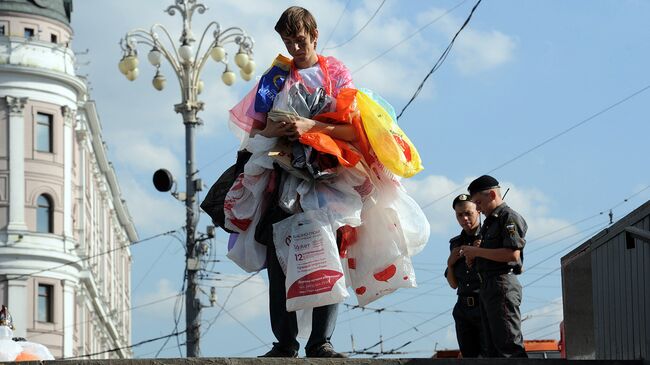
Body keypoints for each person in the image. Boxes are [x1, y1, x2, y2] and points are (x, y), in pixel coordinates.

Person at [250, 6, 354, 358]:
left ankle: (321, 341)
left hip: (328, 178)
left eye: (299, 39)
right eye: (287, 41)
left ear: (314, 33)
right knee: (280, 259)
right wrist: (274, 131)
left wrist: (311, 128)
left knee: (327, 254)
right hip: (283, 177)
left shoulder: (336, 73)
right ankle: (284, 342)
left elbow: (353, 129)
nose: (294, 47)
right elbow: (256, 130)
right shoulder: (275, 77)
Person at [459, 175, 528, 358]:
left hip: (502, 284)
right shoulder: (491, 222)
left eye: (479, 203)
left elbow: (512, 254)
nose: (478, 209)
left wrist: (477, 252)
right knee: (492, 350)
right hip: (489, 285)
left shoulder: (508, 217)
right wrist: (475, 256)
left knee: (508, 347)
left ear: (491, 194)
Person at [445, 194, 485, 357]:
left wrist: (481, 252)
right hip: (463, 307)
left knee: (490, 356)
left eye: (469, 213)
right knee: (469, 356)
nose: (464, 218)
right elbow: (453, 284)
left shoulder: (488, 237)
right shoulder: (455, 243)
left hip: (484, 304)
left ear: (479, 211)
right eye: (459, 215)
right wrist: (450, 263)